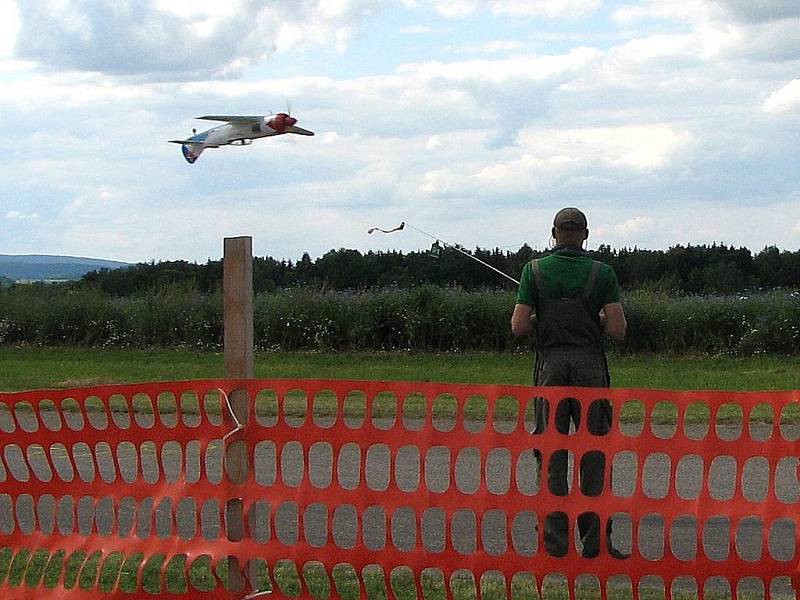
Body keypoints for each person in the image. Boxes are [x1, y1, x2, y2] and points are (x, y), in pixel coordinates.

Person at [510, 207, 627, 559]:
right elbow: (618, 331)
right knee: (594, 455)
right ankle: (595, 544)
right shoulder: (602, 273)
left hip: (550, 368)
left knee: (551, 456)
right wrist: (603, 318)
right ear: (586, 235)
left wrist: (536, 321)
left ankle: (554, 544)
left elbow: (517, 327)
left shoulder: (533, 271)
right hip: (590, 367)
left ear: (554, 232)